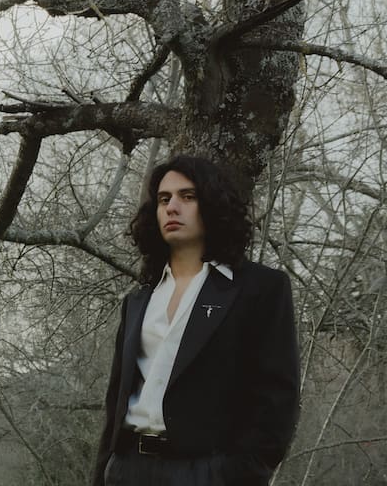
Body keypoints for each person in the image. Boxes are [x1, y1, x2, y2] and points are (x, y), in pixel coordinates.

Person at [94, 155, 300, 486]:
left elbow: (277, 402)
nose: (172, 207)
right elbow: (116, 400)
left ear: (213, 204)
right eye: (164, 199)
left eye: (187, 196)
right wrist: (104, 471)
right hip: (126, 469)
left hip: (207, 473)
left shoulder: (261, 289)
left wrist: (235, 472)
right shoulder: (139, 300)